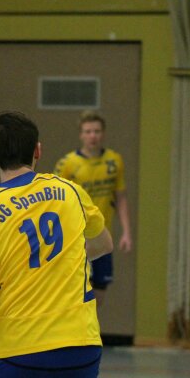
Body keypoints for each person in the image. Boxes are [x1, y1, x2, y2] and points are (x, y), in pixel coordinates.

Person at [0, 111, 112, 378]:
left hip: (21, 351)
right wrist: (64, 259)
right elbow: (104, 244)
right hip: (82, 348)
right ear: (38, 150)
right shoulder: (69, 191)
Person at [53, 110, 131, 306]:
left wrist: (126, 233)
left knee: (99, 293)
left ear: (103, 133)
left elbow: (120, 197)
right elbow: (55, 202)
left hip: (103, 236)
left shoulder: (114, 161)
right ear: (81, 135)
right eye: (88, 132)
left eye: (96, 131)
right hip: (77, 238)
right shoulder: (68, 164)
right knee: (76, 292)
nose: (92, 136)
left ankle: (90, 327)